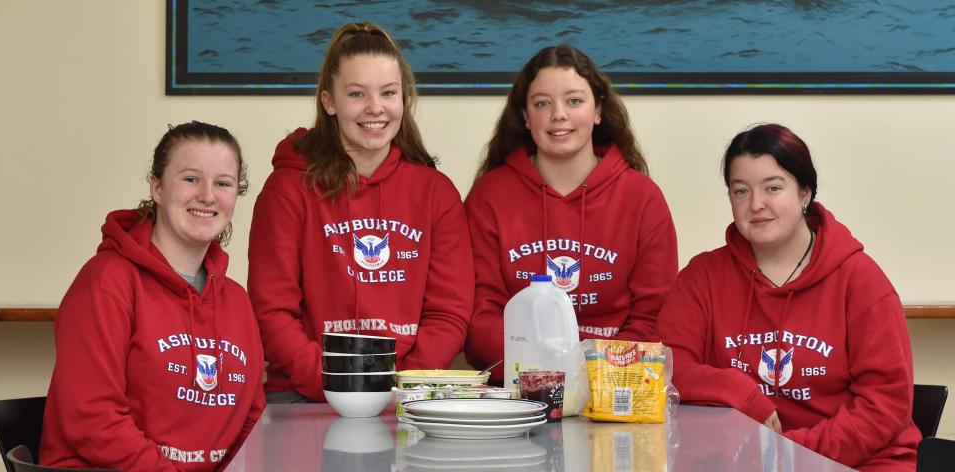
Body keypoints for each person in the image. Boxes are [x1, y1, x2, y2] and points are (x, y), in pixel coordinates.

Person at [657, 124, 919, 470]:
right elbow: (666, 367)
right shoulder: (703, 277)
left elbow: (883, 407)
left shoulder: (860, 281)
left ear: (805, 192)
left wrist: (783, 453)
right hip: (745, 461)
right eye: (740, 191)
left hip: (858, 461)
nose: (756, 205)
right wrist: (741, 392)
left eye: (773, 188)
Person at [248, 22, 473, 403]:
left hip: (406, 395)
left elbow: (448, 313)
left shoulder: (436, 193)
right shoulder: (288, 189)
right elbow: (272, 311)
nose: (375, 108)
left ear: (404, 99)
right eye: (357, 94)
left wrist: (401, 385)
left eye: (388, 93)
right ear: (329, 102)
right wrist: (337, 384)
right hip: (307, 392)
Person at [39, 121, 265, 471]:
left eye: (223, 183)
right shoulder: (106, 282)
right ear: (157, 188)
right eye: (191, 178)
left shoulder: (235, 300)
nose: (207, 195)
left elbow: (251, 419)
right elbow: (93, 419)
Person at [463, 44, 678, 382]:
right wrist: (543, 376)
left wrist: (594, 377)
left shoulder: (642, 197)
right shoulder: (489, 196)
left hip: (615, 388)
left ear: (598, 111)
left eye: (574, 101)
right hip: (518, 391)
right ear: (524, 115)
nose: (558, 114)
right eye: (542, 103)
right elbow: (480, 313)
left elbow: (652, 315)